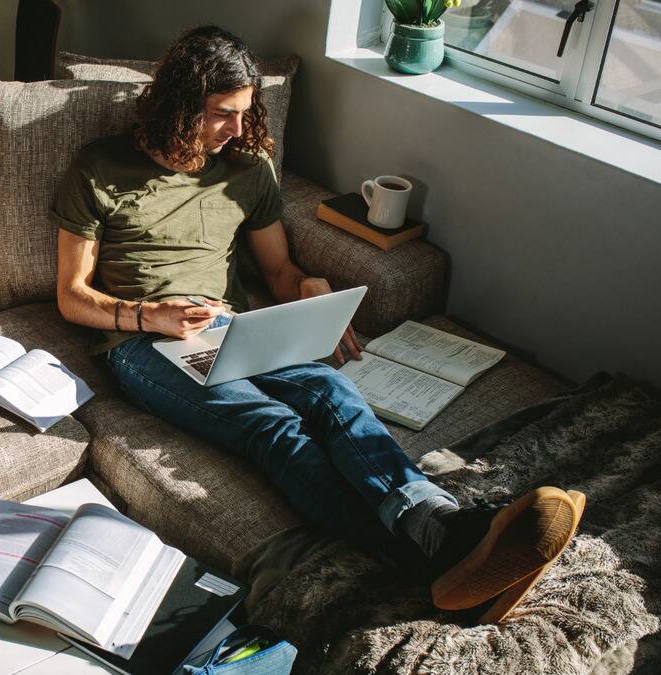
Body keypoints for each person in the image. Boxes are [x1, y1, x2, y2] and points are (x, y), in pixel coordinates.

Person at [52, 25, 581, 623]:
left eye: (243, 113)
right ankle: (435, 563)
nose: (234, 129)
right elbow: (71, 297)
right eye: (222, 114)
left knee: (332, 392)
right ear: (180, 104)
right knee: (272, 424)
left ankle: (441, 524)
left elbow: (278, 270)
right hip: (141, 344)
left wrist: (309, 289)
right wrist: (152, 315)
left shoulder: (246, 169)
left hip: (234, 327)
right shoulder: (100, 167)